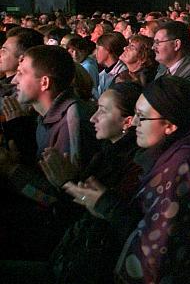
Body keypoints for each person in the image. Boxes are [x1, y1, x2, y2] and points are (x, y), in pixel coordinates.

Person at [63, 77, 190, 284]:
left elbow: (161, 243)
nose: (134, 122)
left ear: (169, 125)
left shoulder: (183, 165)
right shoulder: (170, 153)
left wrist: (107, 205)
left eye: (141, 117)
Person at [0, 45, 96, 259]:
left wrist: (11, 170)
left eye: (22, 73)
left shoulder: (72, 121)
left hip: (59, 241)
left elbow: (62, 198)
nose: (14, 80)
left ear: (44, 82)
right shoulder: (46, 116)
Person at [43, 83, 144, 284]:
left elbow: (103, 223)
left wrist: (68, 183)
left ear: (128, 121)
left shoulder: (133, 166)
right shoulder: (106, 153)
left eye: (103, 111)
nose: (92, 118)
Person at [94, 32, 128, 98]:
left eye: (98, 48)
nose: (95, 53)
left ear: (108, 49)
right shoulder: (104, 72)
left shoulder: (122, 75)